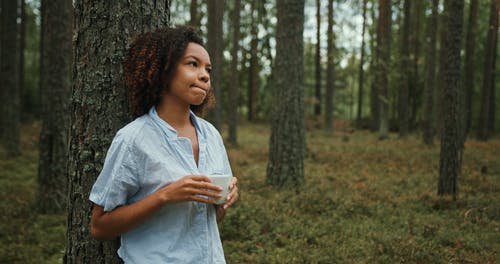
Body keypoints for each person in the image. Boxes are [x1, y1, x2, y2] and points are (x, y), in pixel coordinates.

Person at [89, 26, 238, 263]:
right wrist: (165, 195)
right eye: (192, 64)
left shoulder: (211, 135)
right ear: (164, 70)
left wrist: (223, 202)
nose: (205, 75)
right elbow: (99, 227)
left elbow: (208, 221)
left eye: (208, 69)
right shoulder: (134, 139)